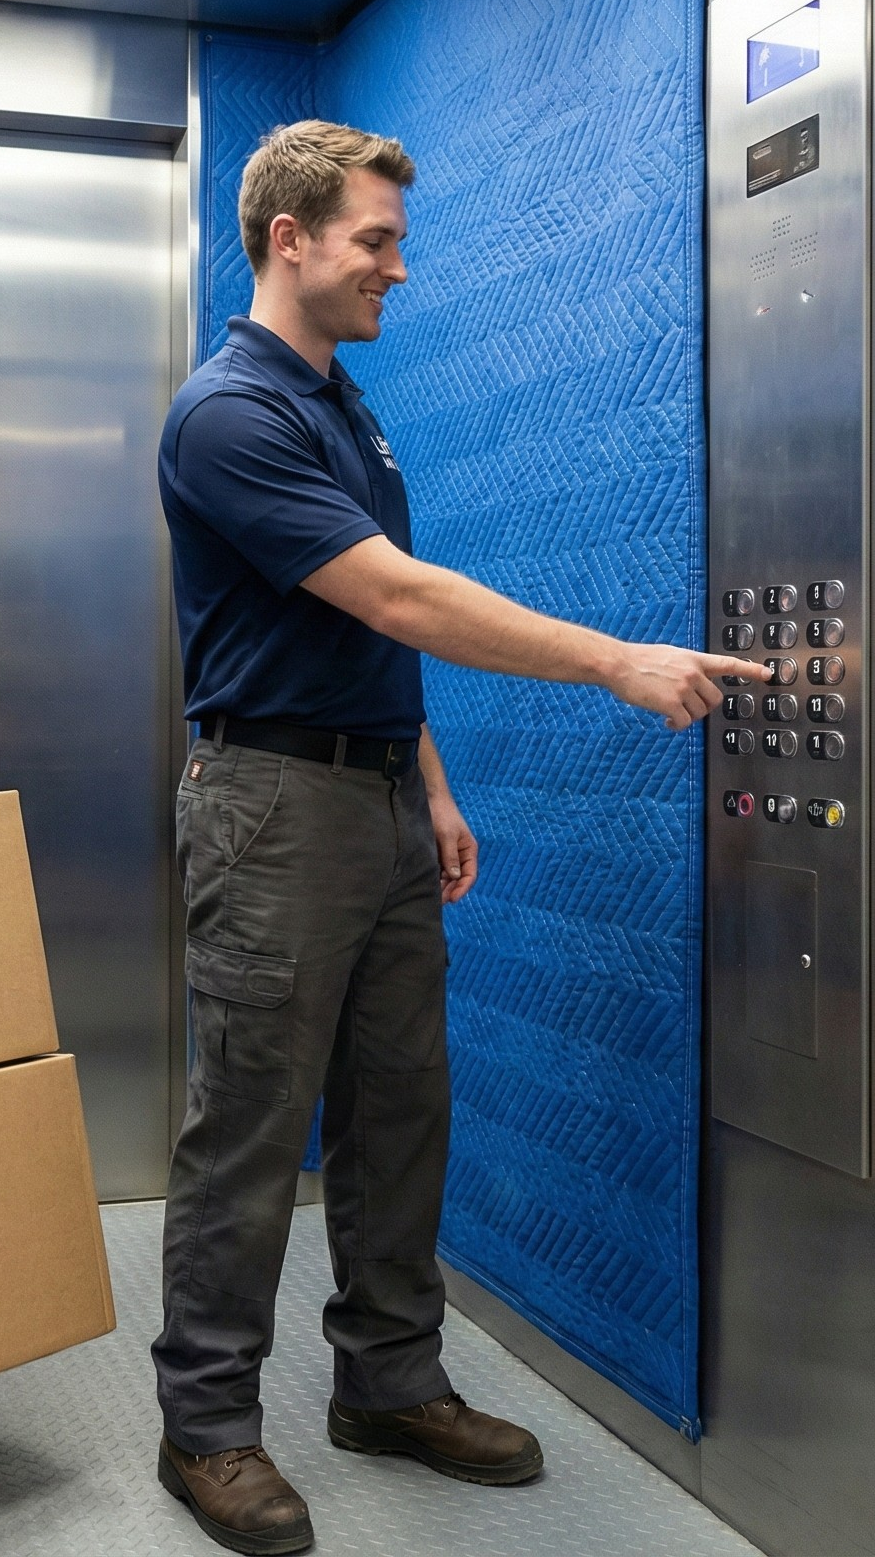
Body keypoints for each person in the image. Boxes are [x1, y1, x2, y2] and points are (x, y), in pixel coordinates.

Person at [151, 121, 763, 1555]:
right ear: (287, 238)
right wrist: (613, 659)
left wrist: (424, 784)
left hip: (368, 793)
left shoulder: (344, 412)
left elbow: (364, 634)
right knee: (248, 1123)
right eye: (375, 239)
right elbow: (404, 599)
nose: (397, 268)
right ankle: (210, 1425)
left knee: (399, 1107)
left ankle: (389, 1380)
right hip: (270, 810)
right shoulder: (229, 412)